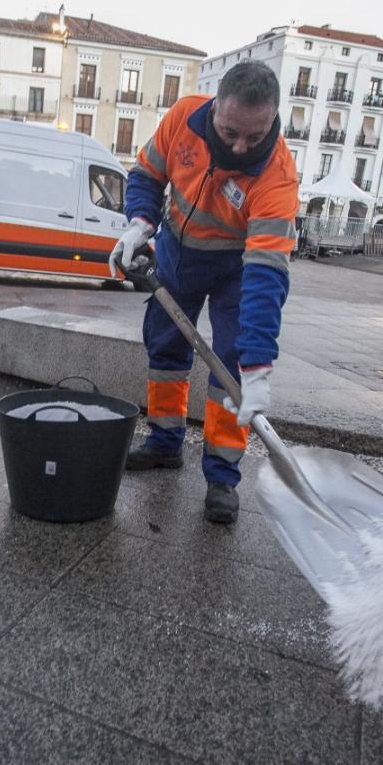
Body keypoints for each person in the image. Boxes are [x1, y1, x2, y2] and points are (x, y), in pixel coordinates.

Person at [109, 61, 298, 524]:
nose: (239, 146)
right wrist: (140, 224)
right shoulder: (182, 118)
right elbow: (148, 175)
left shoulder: (277, 176)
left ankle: (221, 476)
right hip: (178, 253)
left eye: (254, 137)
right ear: (216, 106)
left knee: (230, 366)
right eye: (231, 131)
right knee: (165, 344)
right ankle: (164, 442)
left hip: (238, 269)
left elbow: (265, 275)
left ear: (273, 118)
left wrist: (257, 367)